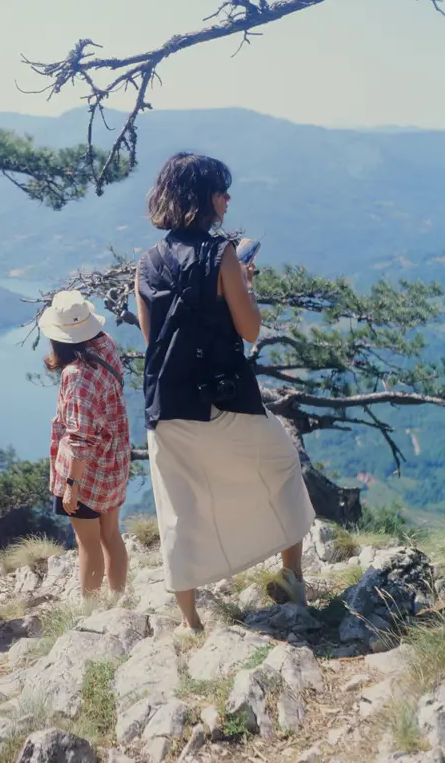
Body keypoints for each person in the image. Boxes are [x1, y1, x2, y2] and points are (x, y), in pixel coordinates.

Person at [134, 152, 316, 632]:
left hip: (167, 401)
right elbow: (250, 329)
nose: (228, 199)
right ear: (204, 199)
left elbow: (152, 338)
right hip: (224, 397)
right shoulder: (223, 254)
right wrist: (245, 285)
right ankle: (290, 579)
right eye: (222, 191)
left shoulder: (146, 263)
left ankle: (189, 623)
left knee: (178, 507)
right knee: (282, 466)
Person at [40, 290, 131, 597]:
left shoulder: (77, 375)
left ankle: (91, 609)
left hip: (87, 473)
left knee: (87, 543)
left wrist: (71, 485)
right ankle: (118, 600)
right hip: (114, 459)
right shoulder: (105, 344)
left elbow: (79, 439)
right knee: (111, 534)